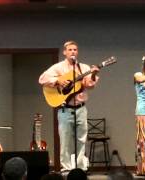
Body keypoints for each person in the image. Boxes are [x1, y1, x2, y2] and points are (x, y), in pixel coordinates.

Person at [39, 40, 99, 172]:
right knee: (65, 140)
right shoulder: (58, 67)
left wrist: (93, 73)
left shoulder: (83, 68)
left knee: (81, 139)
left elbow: (90, 85)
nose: (73, 52)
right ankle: (66, 168)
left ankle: (80, 168)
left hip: (81, 108)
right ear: (65, 52)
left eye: (75, 50)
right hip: (65, 109)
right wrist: (58, 80)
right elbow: (42, 79)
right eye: (70, 50)